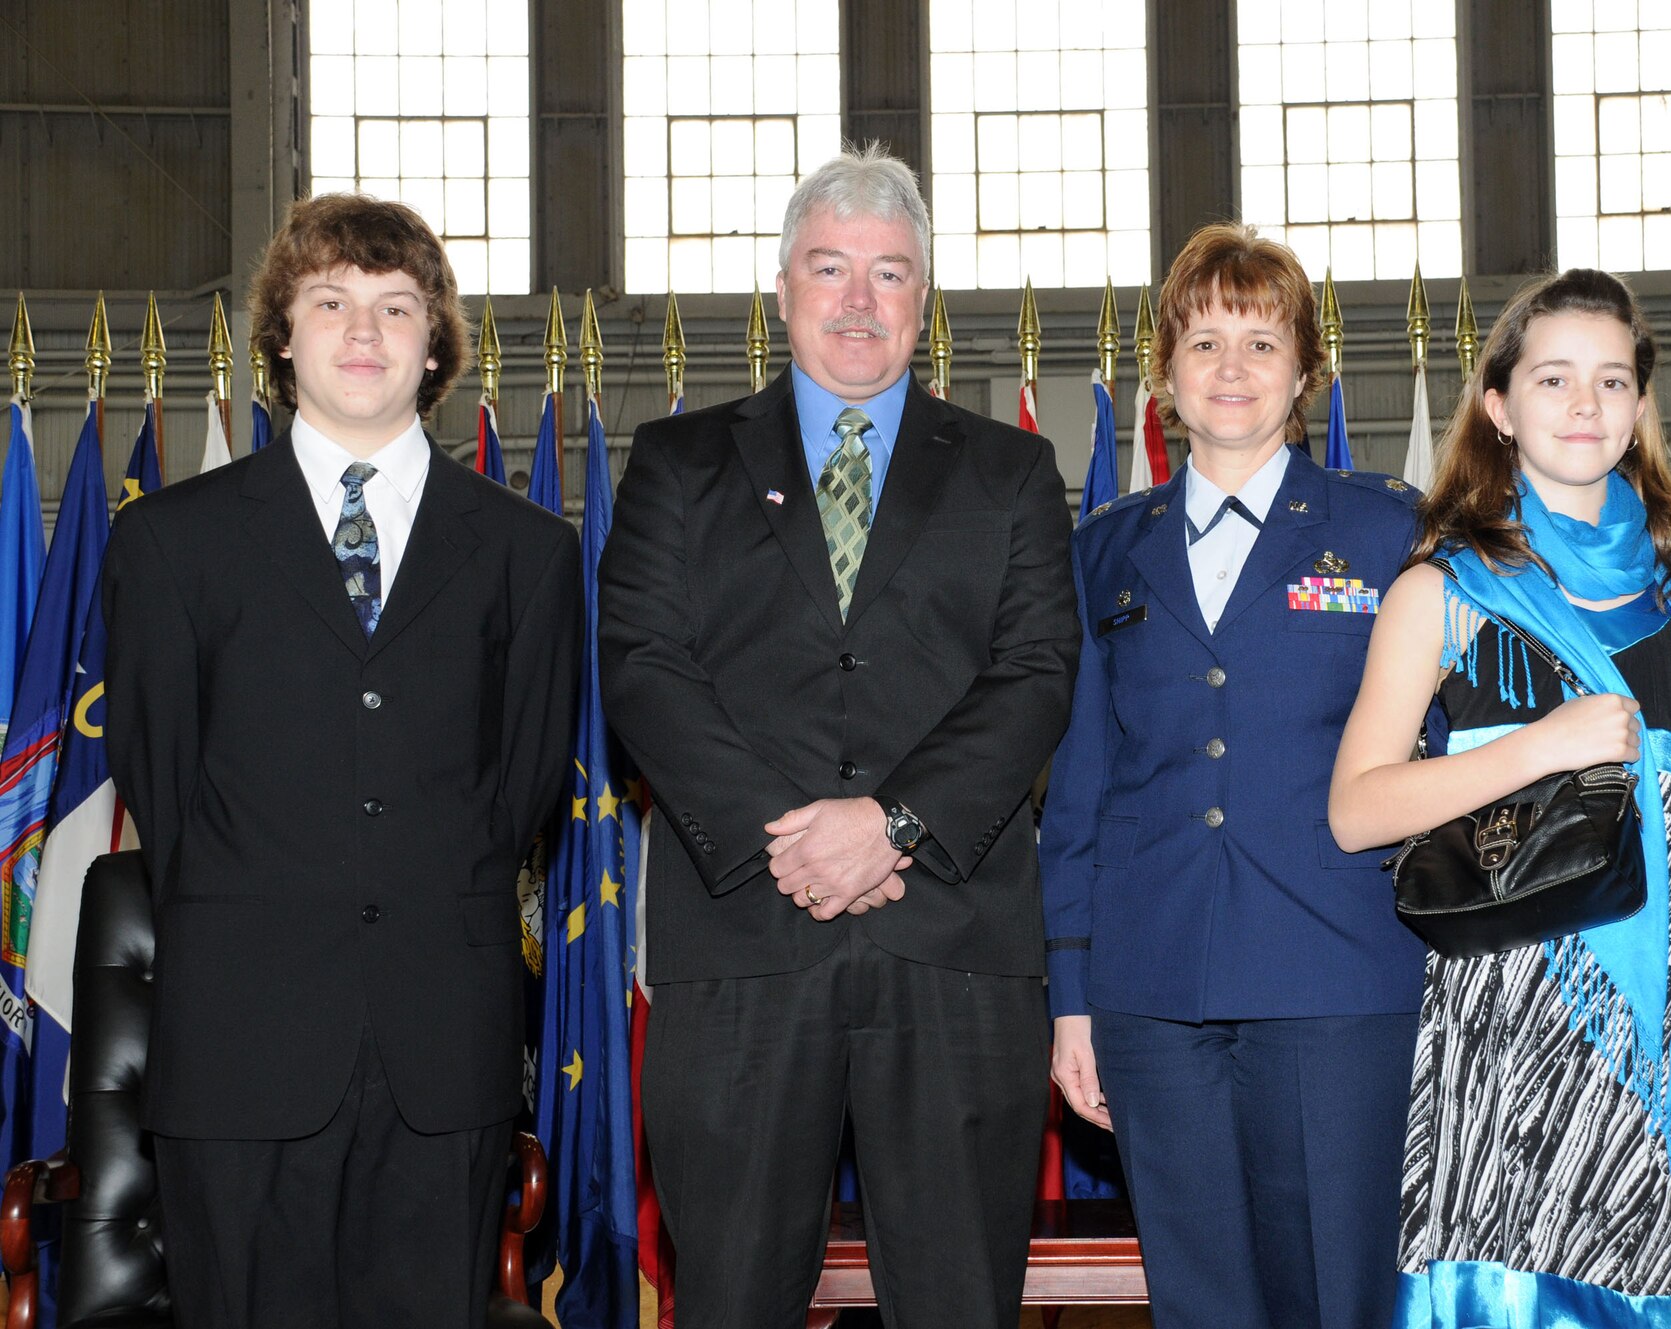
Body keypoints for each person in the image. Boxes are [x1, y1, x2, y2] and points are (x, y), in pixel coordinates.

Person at [598, 144, 1080, 1329]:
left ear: (925, 303)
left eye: (889, 274)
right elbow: (643, 667)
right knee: (729, 1300)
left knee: (962, 1301)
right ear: (780, 290)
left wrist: (893, 827)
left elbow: (1034, 673)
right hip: (745, 942)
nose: (857, 300)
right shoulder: (676, 464)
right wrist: (795, 843)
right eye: (829, 268)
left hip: (953, 950)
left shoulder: (1012, 473)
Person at [102, 193, 582, 1328]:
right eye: (330, 302)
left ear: (434, 347)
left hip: (442, 1052)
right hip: (240, 1051)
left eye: (394, 306)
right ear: (280, 337)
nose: (362, 331)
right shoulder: (170, 545)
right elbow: (164, 792)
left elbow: (518, 790)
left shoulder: (528, 554)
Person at [1328, 268, 1671, 1325]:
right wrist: (1535, 748)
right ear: (1498, 408)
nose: (1582, 405)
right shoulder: (1440, 591)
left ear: (1639, 406)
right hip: (1508, 1028)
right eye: (1551, 379)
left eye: (1609, 380)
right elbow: (1354, 809)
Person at [1038, 222, 1428, 1329]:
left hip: (1337, 977)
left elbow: (1441, 753)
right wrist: (1072, 1001)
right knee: (1200, 1300)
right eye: (1203, 341)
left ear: (1304, 371)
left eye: (1260, 343)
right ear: (1163, 373)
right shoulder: (1104, 550)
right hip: (1152, 987)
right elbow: (1079, 792)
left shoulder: (1387, 530)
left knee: (1335, 1293)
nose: (1230, 369)